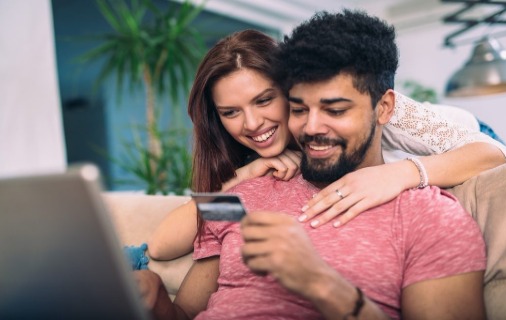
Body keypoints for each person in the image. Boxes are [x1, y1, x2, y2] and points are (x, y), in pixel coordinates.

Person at [136, 9, 487, 319]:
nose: (312, 127)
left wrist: (319, 282)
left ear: (384, 108)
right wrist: (155, 302)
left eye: (335, 110)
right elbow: (170, 267)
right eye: (300, 109)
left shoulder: (429, 214)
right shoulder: (248, 190)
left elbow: (493, 153)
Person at [146, 27, 506, 262]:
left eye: (263, 100)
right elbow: (165, 245)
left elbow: (498, 155)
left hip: (468, 135)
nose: (252, 124)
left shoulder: (374, 111)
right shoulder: (253, 159)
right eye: (231, 112)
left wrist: (399, 174)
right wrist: (243, 175)